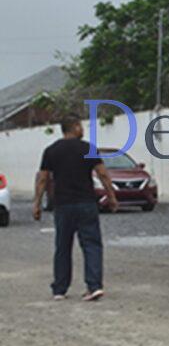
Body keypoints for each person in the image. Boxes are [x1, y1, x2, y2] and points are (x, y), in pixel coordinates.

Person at [32, 116, 118, 302]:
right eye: (81, 126)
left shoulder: (51, 151)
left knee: (62, 246)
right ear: (76, 127)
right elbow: (102, 173)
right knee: (92, 245)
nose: (83, 130)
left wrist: (37, 203)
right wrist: (111, 196)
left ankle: (60, 289)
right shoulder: (88, 148)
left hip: (63, 205)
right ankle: (94, 286)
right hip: (86, 203)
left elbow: (42, 179)